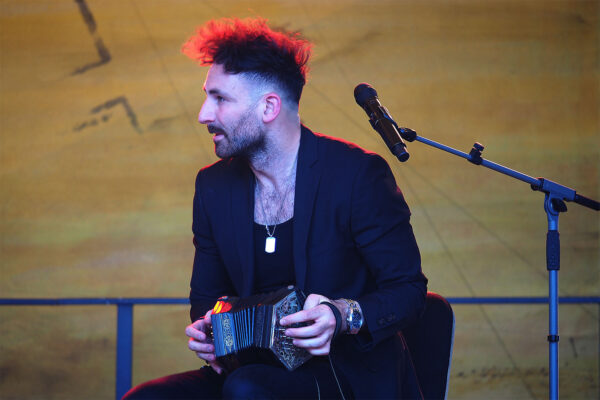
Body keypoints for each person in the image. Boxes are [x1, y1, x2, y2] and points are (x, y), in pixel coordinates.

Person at [124, 17, 427, 400]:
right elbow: (206, 297)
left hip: (345, 377)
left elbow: (408, 292)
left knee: (247, 390)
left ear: (269, 107)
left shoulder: (358, 175)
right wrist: (208, 329)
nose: (203, 114)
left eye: (220, 98)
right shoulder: (213, 186)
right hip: (252, 373)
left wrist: (342, 315)